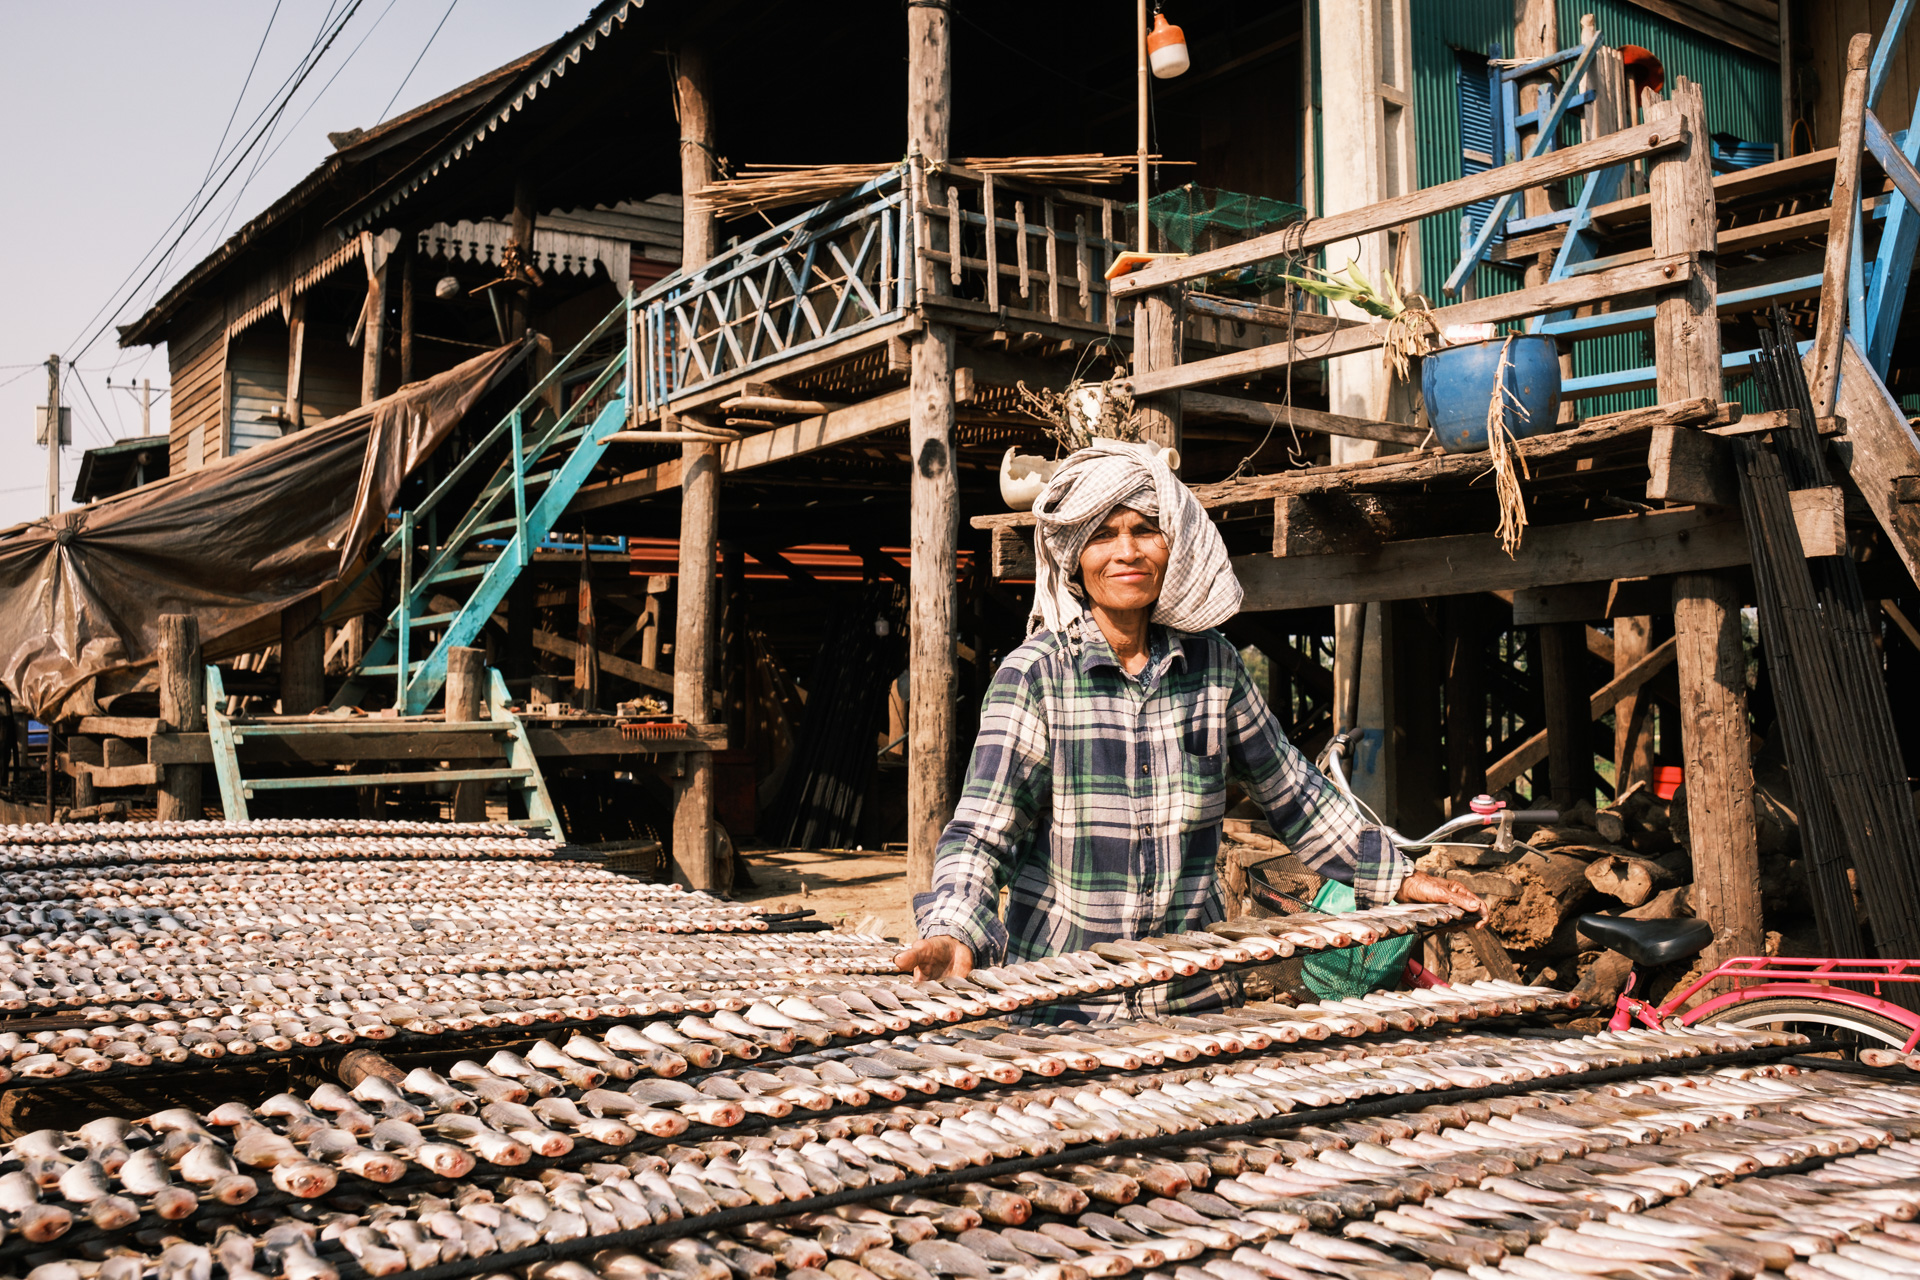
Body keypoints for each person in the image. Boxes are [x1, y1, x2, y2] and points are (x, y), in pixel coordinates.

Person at [896, 439, 1482, 1021]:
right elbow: (982, 833)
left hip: (1191, 998)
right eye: (1102, 535)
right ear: (1075, 558)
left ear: (1171, 544)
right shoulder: (1036, 675)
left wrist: (1397, 878)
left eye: (1146, 529)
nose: (1126, 551)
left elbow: (1296, 795)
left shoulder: (1215, 668)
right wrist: (954, 927)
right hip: (1065, 1001)